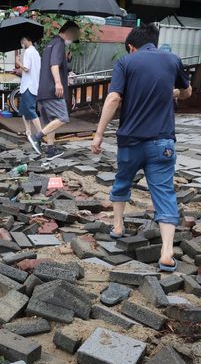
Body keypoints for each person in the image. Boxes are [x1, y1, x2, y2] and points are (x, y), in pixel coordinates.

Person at [91, 23, 192, 272]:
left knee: (122, 181)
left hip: (131, 141)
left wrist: (99, 133)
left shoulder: (126, 63)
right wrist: (175, 93)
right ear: (154, 42)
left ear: (131, 46)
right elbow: (188, 92)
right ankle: (167, 252)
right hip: (163, 142)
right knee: (164, 193)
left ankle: (117, 226)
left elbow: (114, 98)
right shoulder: (172, 60)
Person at [28, 20, 80, 160]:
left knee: (51, 121)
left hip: (43, 90)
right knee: (62, 118)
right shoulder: (59, 44)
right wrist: (58, 83)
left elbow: (54, 63)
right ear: (68, 32)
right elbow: (54, 65)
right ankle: (36, 137)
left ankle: (50, 150)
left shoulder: (51, 44)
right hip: (53, 90)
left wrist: (66, 58)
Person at [16, 35, 42, 140]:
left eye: (23, 41)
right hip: (33, 85)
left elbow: (26, 68)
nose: (22, 44)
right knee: (24, 110)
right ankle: (28, 132)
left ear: (27, 40)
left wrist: (18, 63)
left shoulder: (28, 52)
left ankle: (40, 133)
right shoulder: (36, 53)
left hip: (28, 86)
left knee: (30, 110)